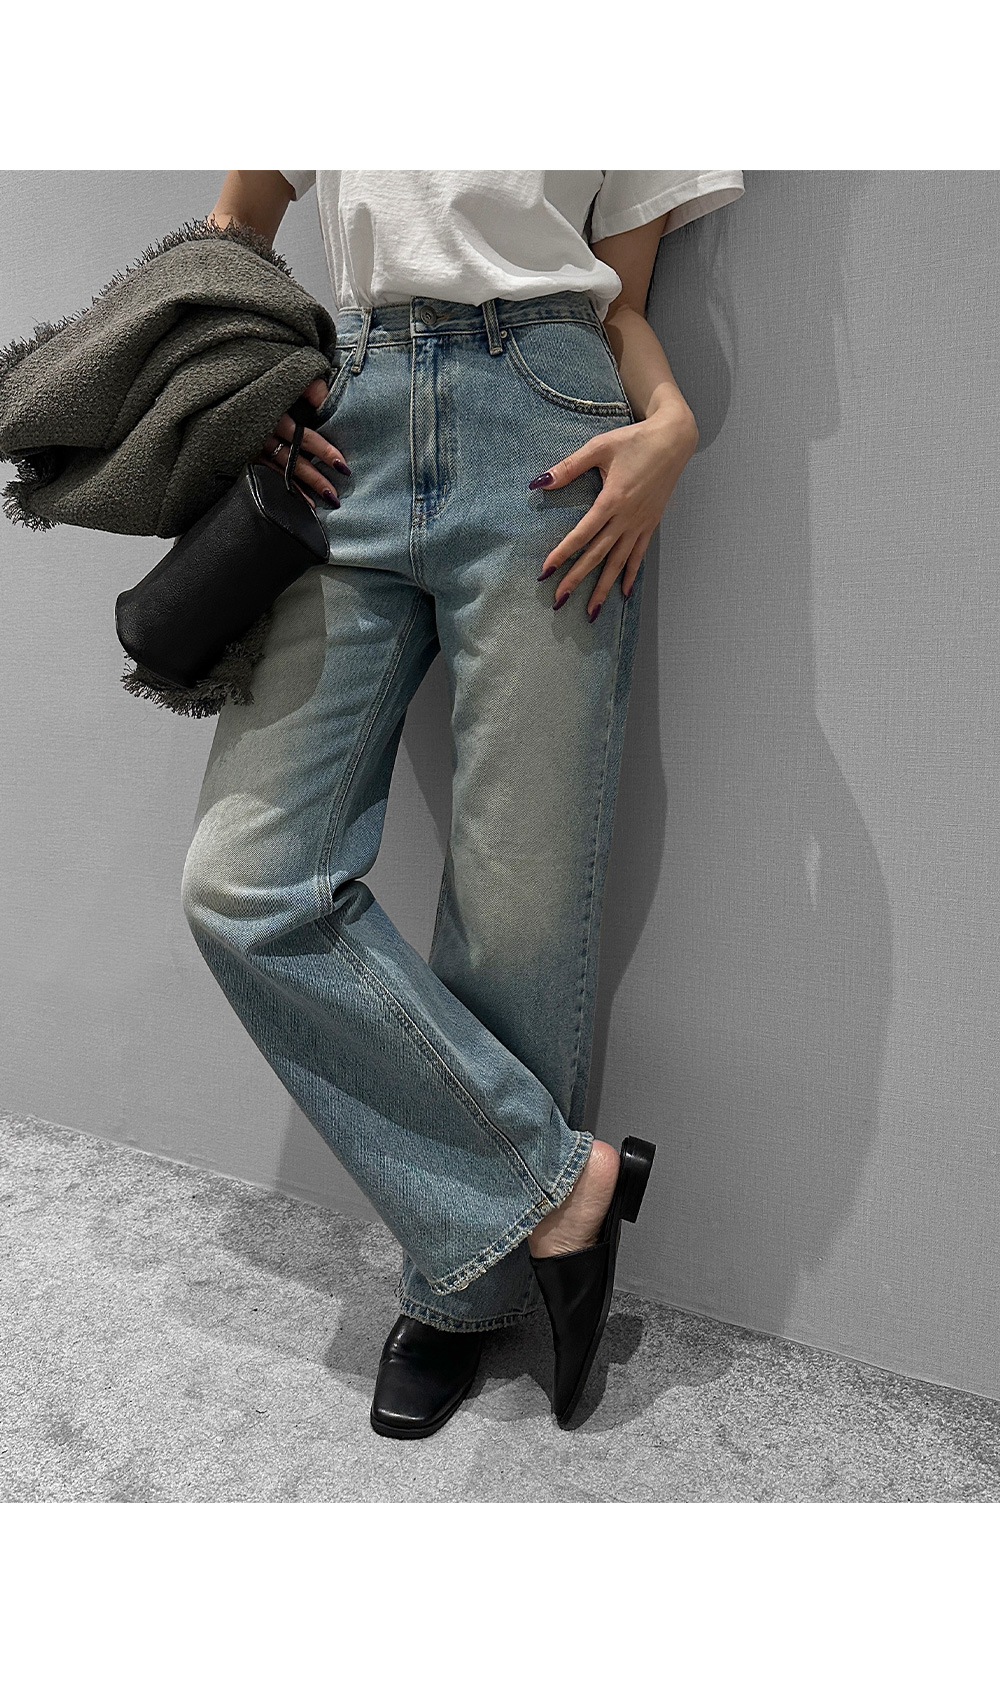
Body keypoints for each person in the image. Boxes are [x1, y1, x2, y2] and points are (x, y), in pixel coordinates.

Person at [181, 168, 745, 1438]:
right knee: (243, 884)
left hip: (551, 430)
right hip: (348, 427)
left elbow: (621, 302)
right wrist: (250, 388)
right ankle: (559, 1186)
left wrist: (669, 424)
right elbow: (235, 232)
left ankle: (460, 1297)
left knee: (519, 908)